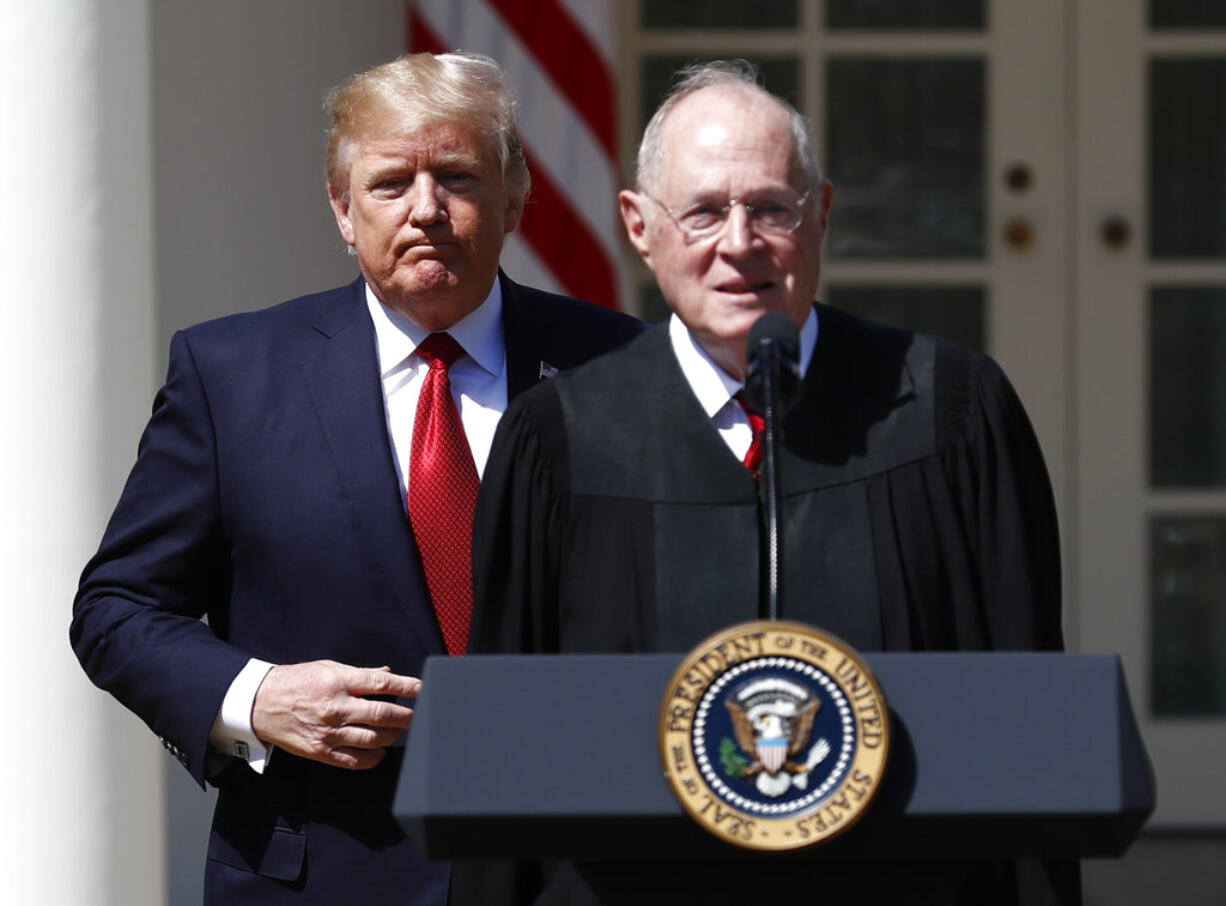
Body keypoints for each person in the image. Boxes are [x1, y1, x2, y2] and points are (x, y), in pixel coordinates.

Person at [462, 62, 1079, 903]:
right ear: (640, 228)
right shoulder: (559, 439)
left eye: (771, 208)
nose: (740, 242)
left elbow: (1028, 718)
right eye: (705, 211)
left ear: (820, 215)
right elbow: (506, 749)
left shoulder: (950, 414)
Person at [70, 52, 642, 905]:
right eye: (389, 184)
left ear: (516, 199)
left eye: (457, 177)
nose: (426, 210)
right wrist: (258, 696)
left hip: (571, 872)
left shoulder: (621, 367)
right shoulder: (231, 374)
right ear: (342, 209)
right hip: (318, 871)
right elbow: (117, 609)